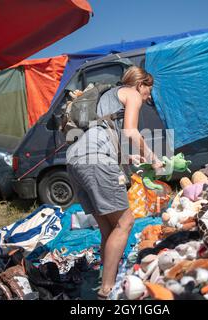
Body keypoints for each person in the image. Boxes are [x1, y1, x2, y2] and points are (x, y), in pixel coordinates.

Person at [66, 66, 164, 299]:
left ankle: (105, 278)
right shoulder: (131, 93)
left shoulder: (108, 96)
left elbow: (105, 131)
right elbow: (131, 131)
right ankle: (107, 289)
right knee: (125, 223)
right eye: (148, 91)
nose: (148, 96)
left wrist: (127, 157)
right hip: (96, 160)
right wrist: (154, 159)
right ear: (140, 85)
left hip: (75, 158)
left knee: (108, 228)